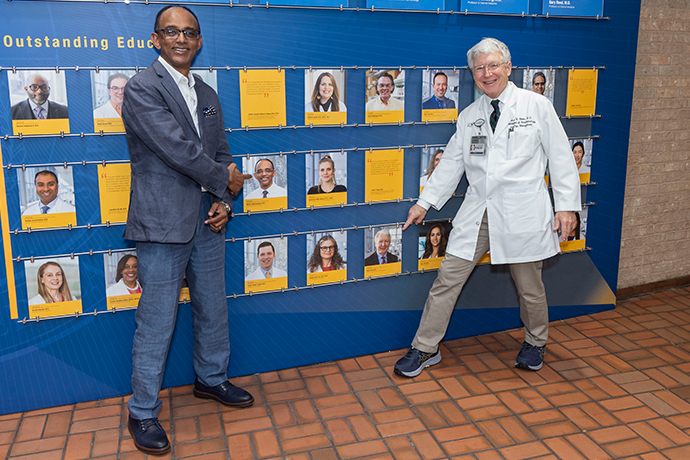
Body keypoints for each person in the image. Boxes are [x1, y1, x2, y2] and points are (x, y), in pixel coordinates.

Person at [394, 37, 580, 378]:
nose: (487, 73)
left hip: (523, 212)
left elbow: (560, 155)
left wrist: (566, 206)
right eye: (479, 68)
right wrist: (424, 203)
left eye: (493, 65)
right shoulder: (470, 116)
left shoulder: (536, 106)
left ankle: (535, 341)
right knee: (447, 279)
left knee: (529, 286)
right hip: (479, 211)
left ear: (509, 68)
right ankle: (424, 347)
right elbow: (451, 163)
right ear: (472, 74)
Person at [120, 6, 253, 455]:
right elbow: (174, 148)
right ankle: (141, 411)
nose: (182, 38)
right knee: (157, 321)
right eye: (172, 32)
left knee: (212, 306)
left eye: (190, 32)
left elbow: (219, 149)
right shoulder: (141, 88)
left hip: (207, 219)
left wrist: (222, 199)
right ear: (155, 39)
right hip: (161, 223)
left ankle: (211, 379)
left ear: (199, 41)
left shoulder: (207, 91)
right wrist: (224, 180)